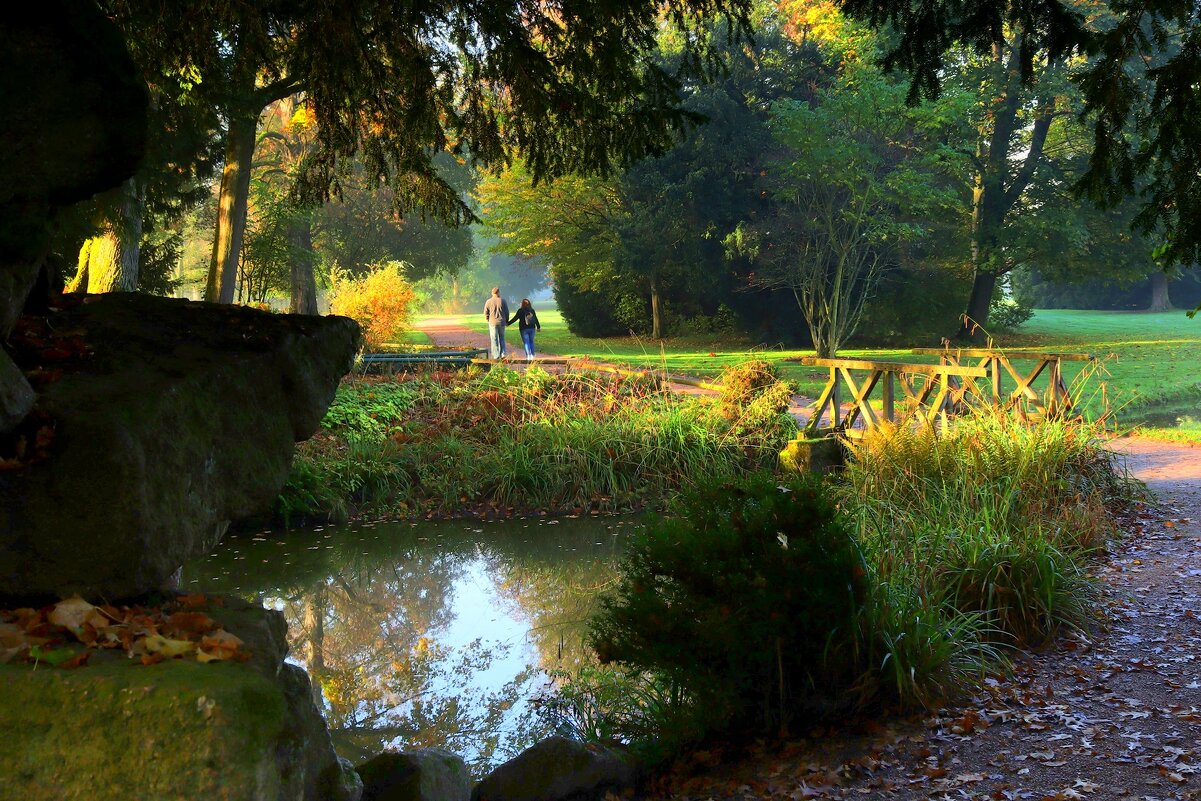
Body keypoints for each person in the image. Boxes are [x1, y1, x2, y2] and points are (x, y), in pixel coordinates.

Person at [483, 287, 509, 359]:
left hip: (492, 322)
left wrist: (488, 319)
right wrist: (507, 321)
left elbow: (485, 312)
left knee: (494, 339)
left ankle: (496, 355)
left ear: (492, 293)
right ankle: (503, 353)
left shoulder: (488, 301)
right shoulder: (503, 301)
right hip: (502, 322)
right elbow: (507, 312)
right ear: (498, 292)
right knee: (502, 338)